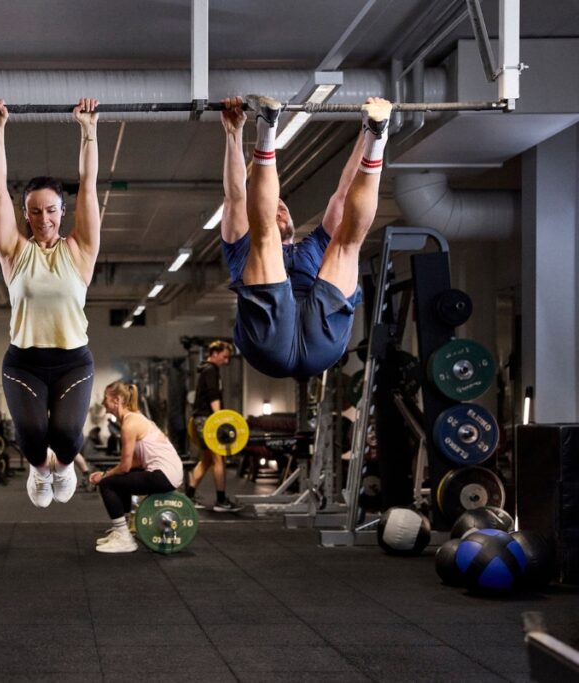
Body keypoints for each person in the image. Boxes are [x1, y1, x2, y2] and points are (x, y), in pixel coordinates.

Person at [219, 95, 393, 380]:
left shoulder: (311, 246)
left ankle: (376, 137)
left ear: (292, 218)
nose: (278, 211)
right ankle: (267, 127)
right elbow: (236, 195)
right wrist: (233, 135)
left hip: (268, 347)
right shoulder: (242, 241)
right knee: (336, 245)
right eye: (271, 205)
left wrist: (367, 131)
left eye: (281, 208)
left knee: (339, 230)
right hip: (317, 348)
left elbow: (344, 194)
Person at [0, 97, 102, 508]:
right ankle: (39, 470)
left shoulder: (82, 249)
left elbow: (87, 184)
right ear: (26, 215)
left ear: (62, 211)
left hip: (73, 361)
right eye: (35, 212)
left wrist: (88, 129)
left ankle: (65, 466)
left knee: (67, 435)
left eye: (51, 210)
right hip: (24, 361)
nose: (44, 219)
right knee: (32, 435)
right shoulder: (14, 252)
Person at [89, 381, 184, 553]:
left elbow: (124, 467)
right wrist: (107, 473)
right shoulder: (135, 418)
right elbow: (137, 462)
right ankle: (122, 530)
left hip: (164, 476)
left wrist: (104, 476)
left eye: (106, 399)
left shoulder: (129, 424)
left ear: (117, 400)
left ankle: (124, 539)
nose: (103, 403)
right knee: (117, 479)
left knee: (108, 484)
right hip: (169, 473)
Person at [184, 340, 237, 511]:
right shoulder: (211, 370)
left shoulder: (207, 370)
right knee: (219, 458)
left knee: (206, 460)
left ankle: (188, 497)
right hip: (208, 419)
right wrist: (219, 420)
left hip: (203, 419)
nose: (226, 361)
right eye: (224, 357)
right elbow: (213, 396)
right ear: (215, 353)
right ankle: (221, 501)